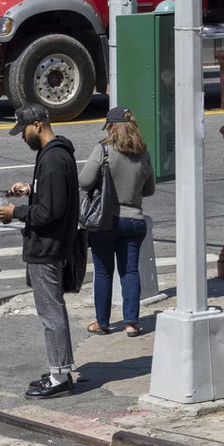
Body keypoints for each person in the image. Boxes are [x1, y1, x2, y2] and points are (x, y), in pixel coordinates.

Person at [0, 103, 80, 399]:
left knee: (50, 311)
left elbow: (50, 211)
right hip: (49, 244)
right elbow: (53, 196)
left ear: (38, 125)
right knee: (51, 309)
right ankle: (59, 369)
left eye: (24, 130)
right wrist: (31, 189)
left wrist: (15, 212)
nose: (22, 137)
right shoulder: (55, 154)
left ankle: (60, 375)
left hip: (47, 247)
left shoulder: (54, 158)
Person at [80, 106, 155, 338]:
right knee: (130, 271)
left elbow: (84, 181)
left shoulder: (104, 150)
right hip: (134, 221)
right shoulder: (143, 153)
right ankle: (132, 322)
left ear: (111, 127)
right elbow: (150, 189)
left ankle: (102, 323)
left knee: (103, 272)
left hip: (106, 221)